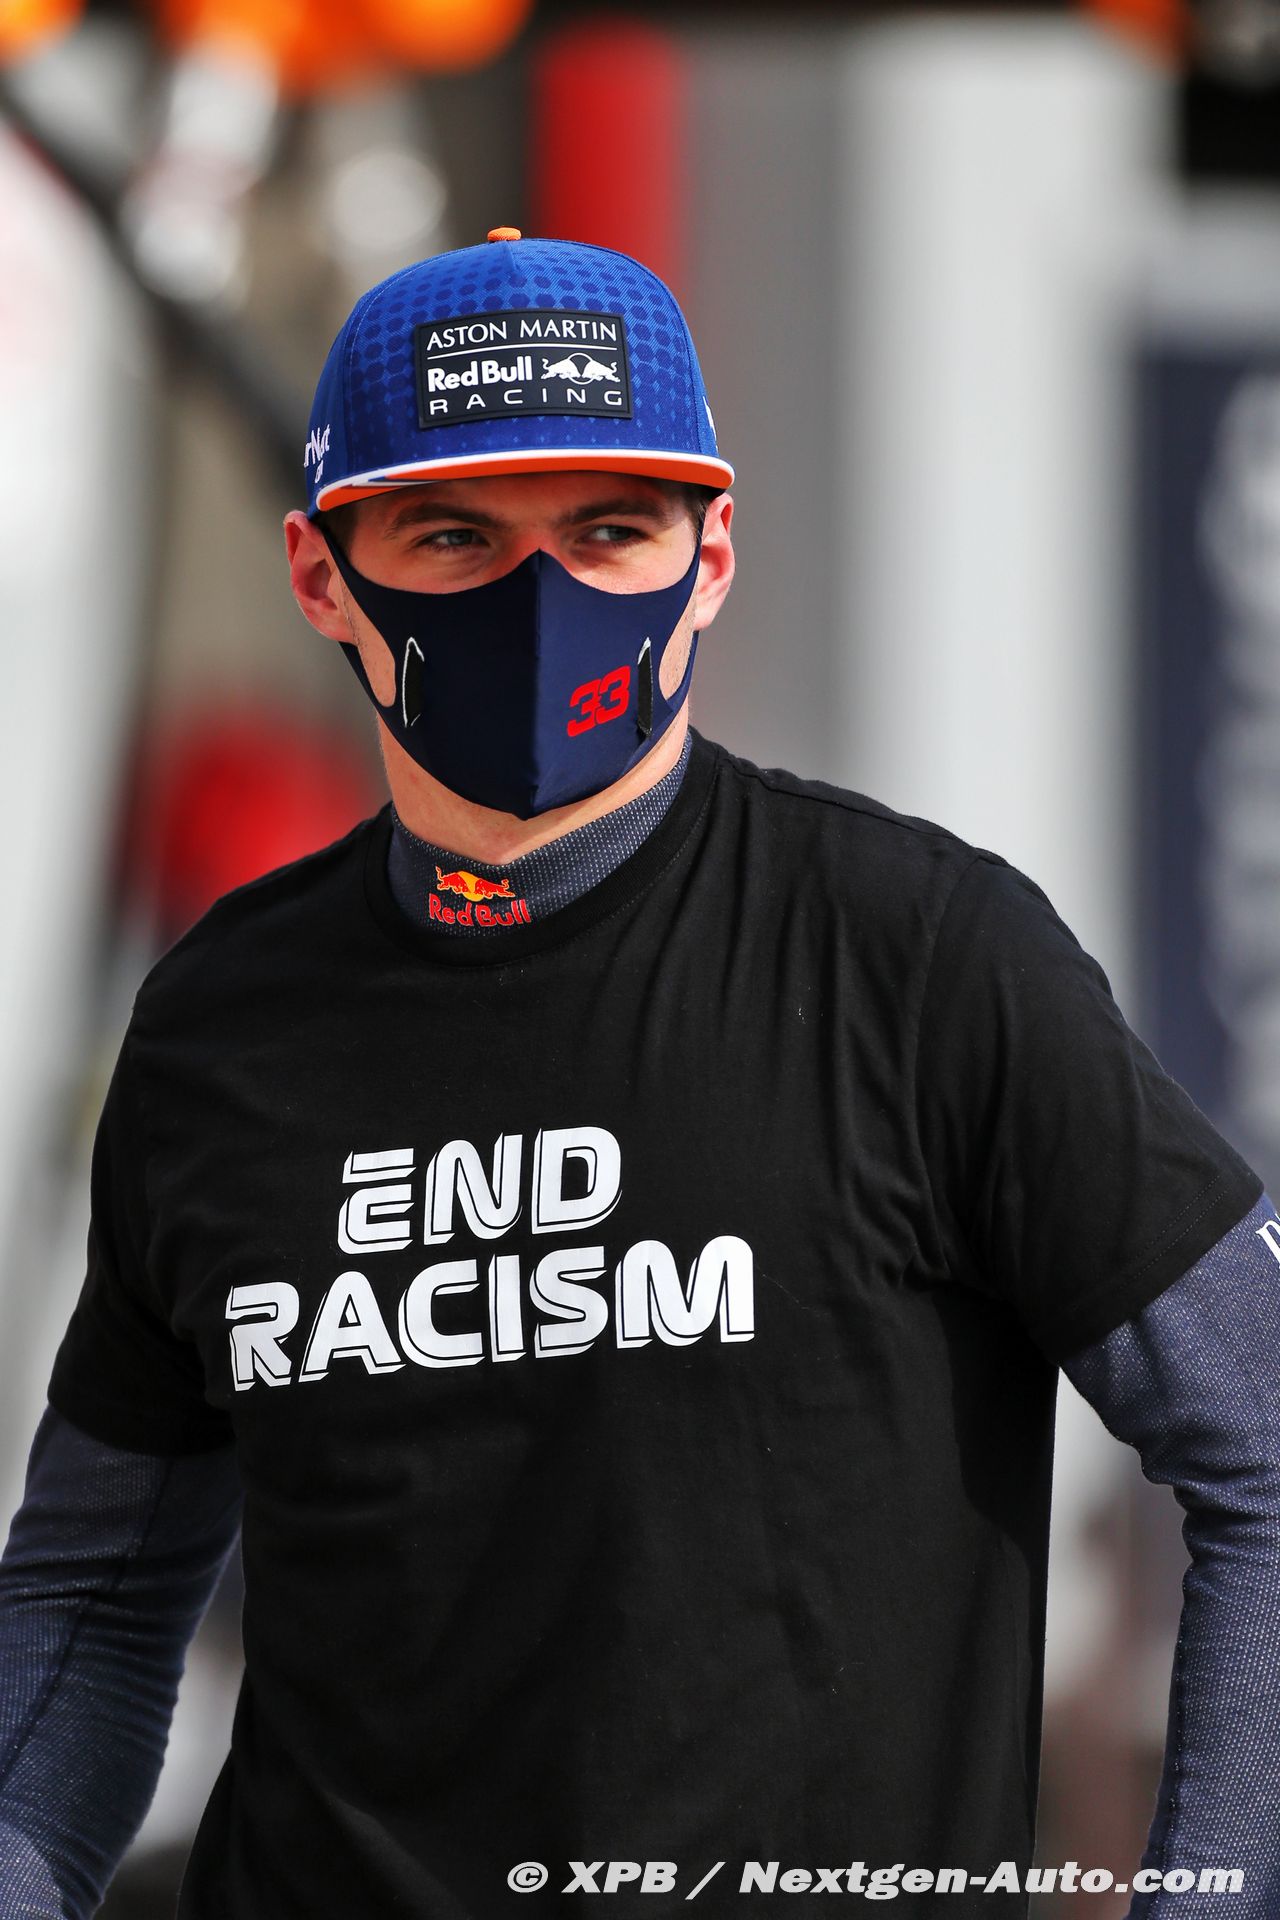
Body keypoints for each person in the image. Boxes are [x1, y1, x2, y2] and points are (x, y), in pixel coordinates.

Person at [2, 229, 1279, 1920]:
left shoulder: (919, 956)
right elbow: (91, 1591)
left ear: (713, 552)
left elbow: (1262, 1433)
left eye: (610, 531)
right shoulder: (222, 1023)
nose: (542, 600)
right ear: (320, 573)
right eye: (455, 536)